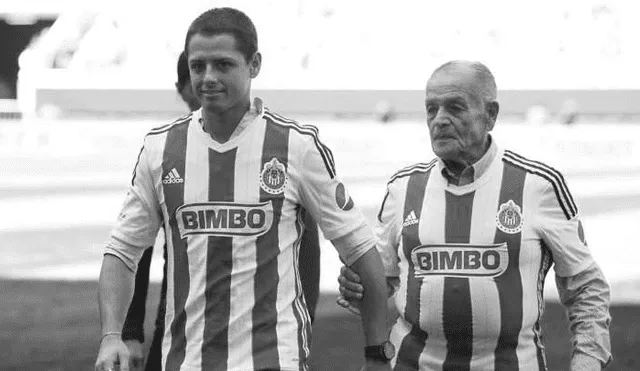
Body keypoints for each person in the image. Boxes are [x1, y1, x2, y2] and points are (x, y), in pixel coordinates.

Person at [95, 7, 390, 371]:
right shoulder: (161, 148)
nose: (208, 77)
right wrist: (112, 336)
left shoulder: (295, 146)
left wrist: (377, 353)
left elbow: (360, 250)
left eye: (222, 64)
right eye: (198, 65)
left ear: (254, 65)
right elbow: (122, 252)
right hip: (185, 362)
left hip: (272, 360)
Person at [337, 60, 612, 370]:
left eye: (454, 107)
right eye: (431, 109)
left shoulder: (538, 186)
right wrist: (357, 287)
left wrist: (587, 361)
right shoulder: (403, 188)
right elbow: (379, 281)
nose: (439, 120)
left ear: (490, 115)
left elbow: (586, 286)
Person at [120, 50, 322, 371]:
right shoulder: (166, 150)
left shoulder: (275, 149)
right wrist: (128, 331)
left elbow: (307, 245)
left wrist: (304, 320)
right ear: (183, 87)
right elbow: (133, 249)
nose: (207, 85)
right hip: (180, 323)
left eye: (219, 72)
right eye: (196, 74)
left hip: (261, 334)